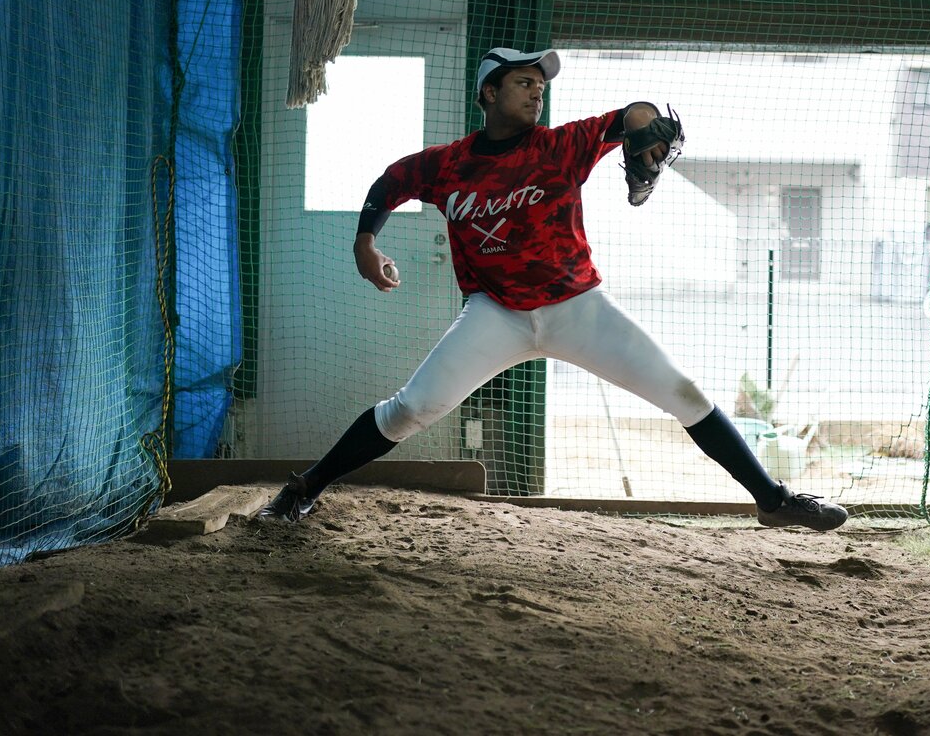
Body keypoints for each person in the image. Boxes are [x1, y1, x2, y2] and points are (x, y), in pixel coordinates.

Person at [259, 46, 846, 530]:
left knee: (684, 393)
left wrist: (648, 136)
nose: (537, 91)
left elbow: (632, 114)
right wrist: (366, 242)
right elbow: (390, 182)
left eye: (541, 84)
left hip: (577, 307)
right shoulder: (447, 164)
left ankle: (774, 501)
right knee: (410, 409)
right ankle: (305, 487)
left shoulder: (562, 145)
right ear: (489, 93)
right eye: (523, 82)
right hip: (496, 314)